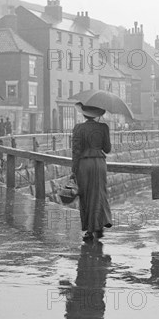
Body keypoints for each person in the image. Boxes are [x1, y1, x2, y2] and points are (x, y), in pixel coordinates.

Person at [71, 103, 112, 241]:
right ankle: (99, 225)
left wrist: (74, 170)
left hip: (84, 163)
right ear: (97, 115)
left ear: (84, 114)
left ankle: (89, 229)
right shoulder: (104, 127)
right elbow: (107, 149)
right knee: (100, 193)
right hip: (99, 163)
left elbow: (76, 151)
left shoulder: (78, 128)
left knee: (86, 196)